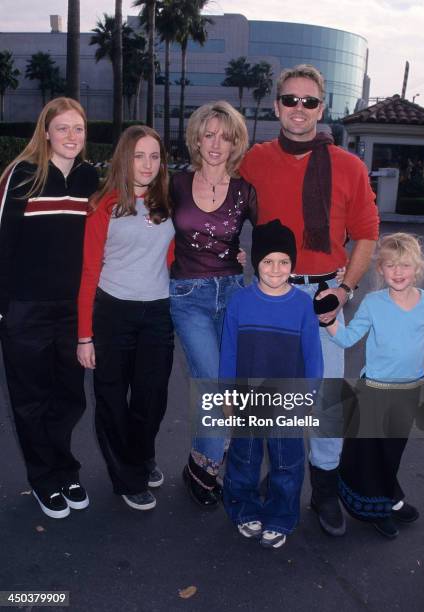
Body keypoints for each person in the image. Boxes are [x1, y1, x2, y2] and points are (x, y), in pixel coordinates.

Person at [239, 64, 379, 536]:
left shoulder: (349, 166)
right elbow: (219, 202)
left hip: (323, 295)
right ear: (277, 105)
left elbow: (366, 234)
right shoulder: (253, 159)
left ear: (323, 107)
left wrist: (345, 289)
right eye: (291, 100)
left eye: (310, 101)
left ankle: (323, 490)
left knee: (326, 400)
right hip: (271, 294)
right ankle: (279, 481)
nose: (300, 109)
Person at [0, 97, 99, 519]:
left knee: (70, 397)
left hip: (71, 311)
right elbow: (2, 242)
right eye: (62, 128)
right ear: (45, 132)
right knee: (30, 400)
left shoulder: (89, 177)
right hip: (24, 309)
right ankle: (45, 479)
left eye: (78, 128)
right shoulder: (21, 176)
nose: (71, 136)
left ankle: (65, 468)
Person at [77, 126, 174, 511]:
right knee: (113, 399)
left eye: (154, 156)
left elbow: (174, 253)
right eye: (139, 156)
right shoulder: (105, 203)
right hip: (114, 311)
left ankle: (140, 453)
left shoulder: (166, 200)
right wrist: (85, 335)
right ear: (124, 158)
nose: (147, 164)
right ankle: (127, 478)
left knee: (152, 398)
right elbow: (88, 271)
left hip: (158, 313)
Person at [169, 101, 257, 508]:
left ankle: (199, 464)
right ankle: (206, 466)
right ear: (197, 139)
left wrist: (253, 263)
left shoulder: (245, 191)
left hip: (232, 296)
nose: (216, 143)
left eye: (225, 135)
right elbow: (142, 223)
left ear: (236, 142)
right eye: (209, 134)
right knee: (211, 382)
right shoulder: (175, 184)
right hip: (188, 296)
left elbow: (276, 236)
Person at [327, 233, 424, 538]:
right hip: (372, 391)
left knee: (390, 453)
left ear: (417, 268)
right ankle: (377, 509)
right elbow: (349, 338)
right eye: (391, 265)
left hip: (408, 394)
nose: (398, 272)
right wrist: (329, 321)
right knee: (367, 452)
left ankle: (390, 497)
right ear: (380, 270)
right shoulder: (373, 303)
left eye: (404, 265)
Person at [220, 219, 323, 548]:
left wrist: (308, 396)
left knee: (287, 463)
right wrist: (226, 396)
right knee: (244, 459)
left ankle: (281, 516)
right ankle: (243, 509)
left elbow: (313, 356)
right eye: (267, 261)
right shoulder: (240, 301)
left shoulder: (304, 305)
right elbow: (229, 352)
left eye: (284, 261)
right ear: (255, 262)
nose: (276, 269)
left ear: (293, 264)